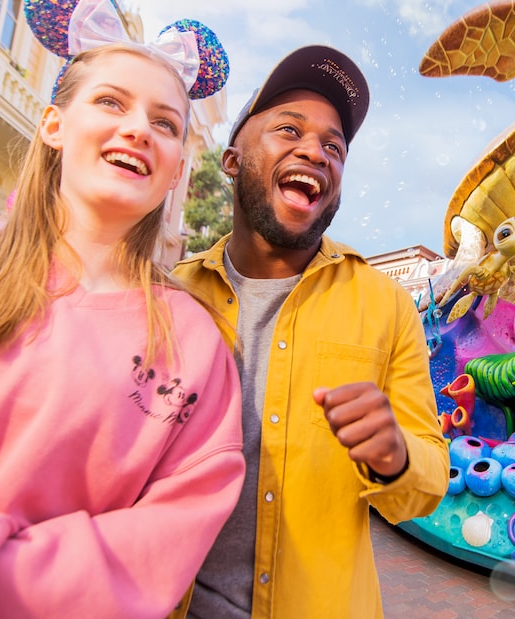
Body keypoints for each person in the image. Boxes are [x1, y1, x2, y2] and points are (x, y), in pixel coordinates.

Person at [0, 1, 244, 617]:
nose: (139, 128)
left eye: (165, 124)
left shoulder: (193, 344)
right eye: (111, 102)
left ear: (174, 175)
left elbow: (158, 542)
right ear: (53, 125)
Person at [172, 45, 450, 618]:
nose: (315, 152)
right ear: (231, 159)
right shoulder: (170, 297)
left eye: (334, 146)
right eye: (288, 130)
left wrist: (394, 456)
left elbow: (426, 484)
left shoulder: (386, 305)